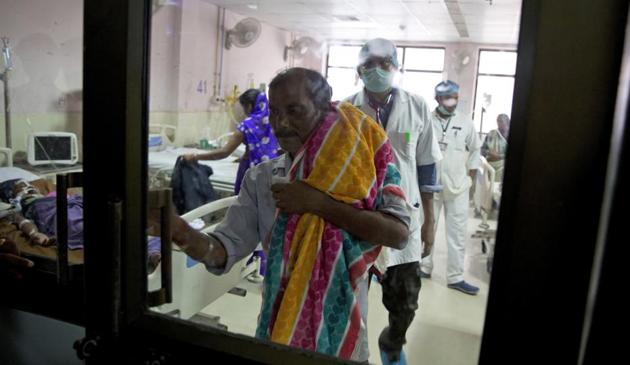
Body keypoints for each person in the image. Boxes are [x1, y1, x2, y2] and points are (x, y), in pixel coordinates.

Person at [154, 68, 411, 362]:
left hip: (344, 336)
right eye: (274, 112)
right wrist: (178, 231)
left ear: (324, 110)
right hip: (280, 330)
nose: (281, 123)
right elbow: (223, 251)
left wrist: (320, 204)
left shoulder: (365, 170)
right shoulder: (262, 179)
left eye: (295, 111)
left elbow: (399, 234)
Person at [343, 38, 442, 365]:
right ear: (359, 70)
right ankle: (354, 353)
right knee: (347, 302)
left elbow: (427, 165)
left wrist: (429, 222)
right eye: (369, 64)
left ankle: (392, 344)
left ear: (397, 69)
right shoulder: (345, 110)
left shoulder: (417, 107)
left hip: (404, 222)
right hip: (357, 222)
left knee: (405, 306)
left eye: (385, 63)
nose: (377, 70)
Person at [420, 80, 482, 296]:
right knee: (428, 227)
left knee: (456, 233)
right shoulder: (426, 118)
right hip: (431, 186)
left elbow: (475, 149)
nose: (452, 101)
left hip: (458, 187)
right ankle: (424, 267)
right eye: (447, 96)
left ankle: (455, 277)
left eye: (455, 96)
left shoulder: (466, 122)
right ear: (437, 98)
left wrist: (470, 178)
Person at [184, 89, 280, 194]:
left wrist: (195, 157)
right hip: (272, 171)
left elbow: (224, 152)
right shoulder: (273, 122)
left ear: (249, 106)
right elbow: (264, 147)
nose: (244, 112)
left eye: (243, 107)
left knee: (248, 205)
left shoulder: (247, 125)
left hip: (251, 173)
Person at [481, 113, 510, 181]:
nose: (499, 123)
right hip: (491, 166)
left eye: (501, 121)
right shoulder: (491, 134)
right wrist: (488, 152)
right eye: (498, 121)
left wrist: (499, 157)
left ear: (507, 122)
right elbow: (482, 150)